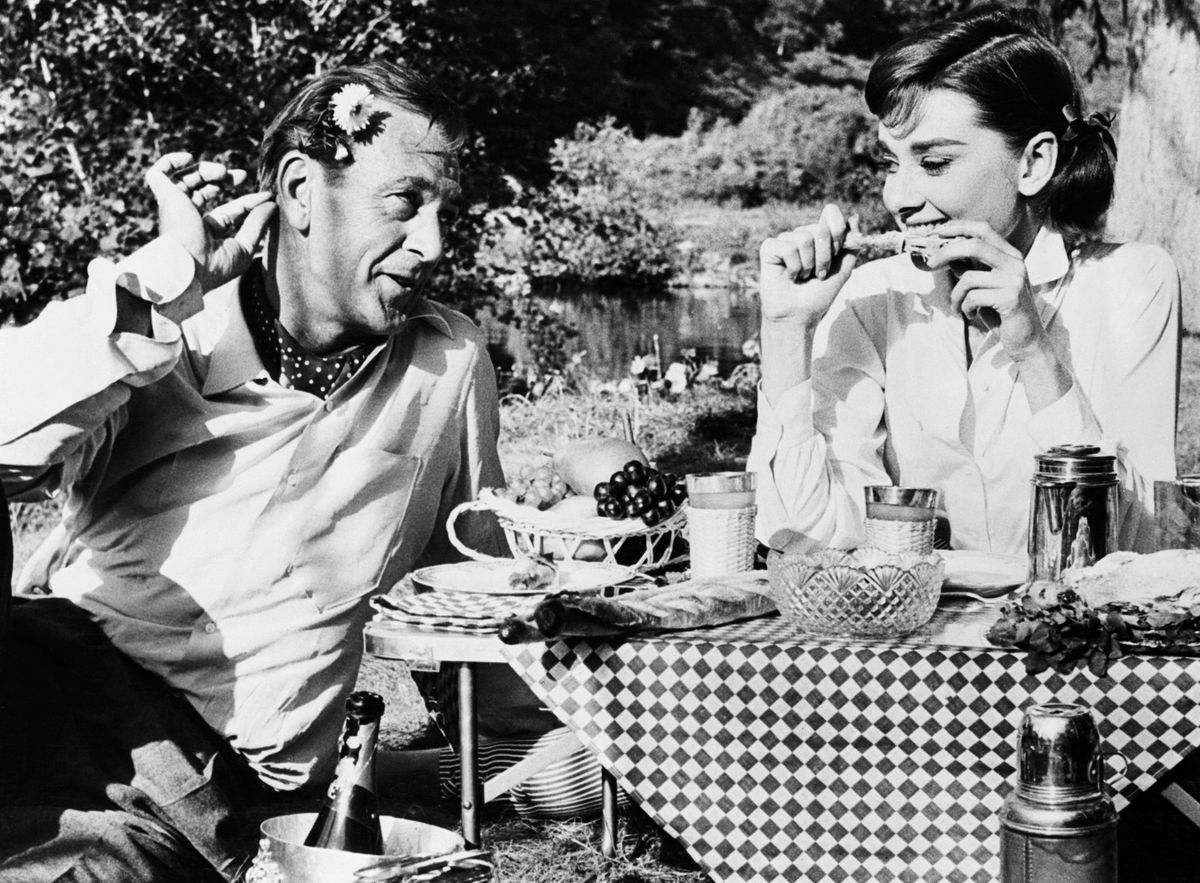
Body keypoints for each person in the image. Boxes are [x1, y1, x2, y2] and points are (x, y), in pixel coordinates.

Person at [0, 59, 587, 881]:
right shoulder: (171, 327)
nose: (434, 244)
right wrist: (162, 280)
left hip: (194, 782)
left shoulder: (446, 364)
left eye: (445, 210)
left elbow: (474, 579)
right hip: (49, 675)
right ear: (301, 191)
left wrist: (545, 749)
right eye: (405, 202)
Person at [748, 5, 1180, 558]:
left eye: (934, 164)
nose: (898, 199)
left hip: (1074, 637)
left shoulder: (1132, 282)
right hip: (920, 639)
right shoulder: (871, 296)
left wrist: (1032, 349)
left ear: (1033, 163)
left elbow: (1140, 544)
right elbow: (807, 537)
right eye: (889, 163)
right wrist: (786, 331)